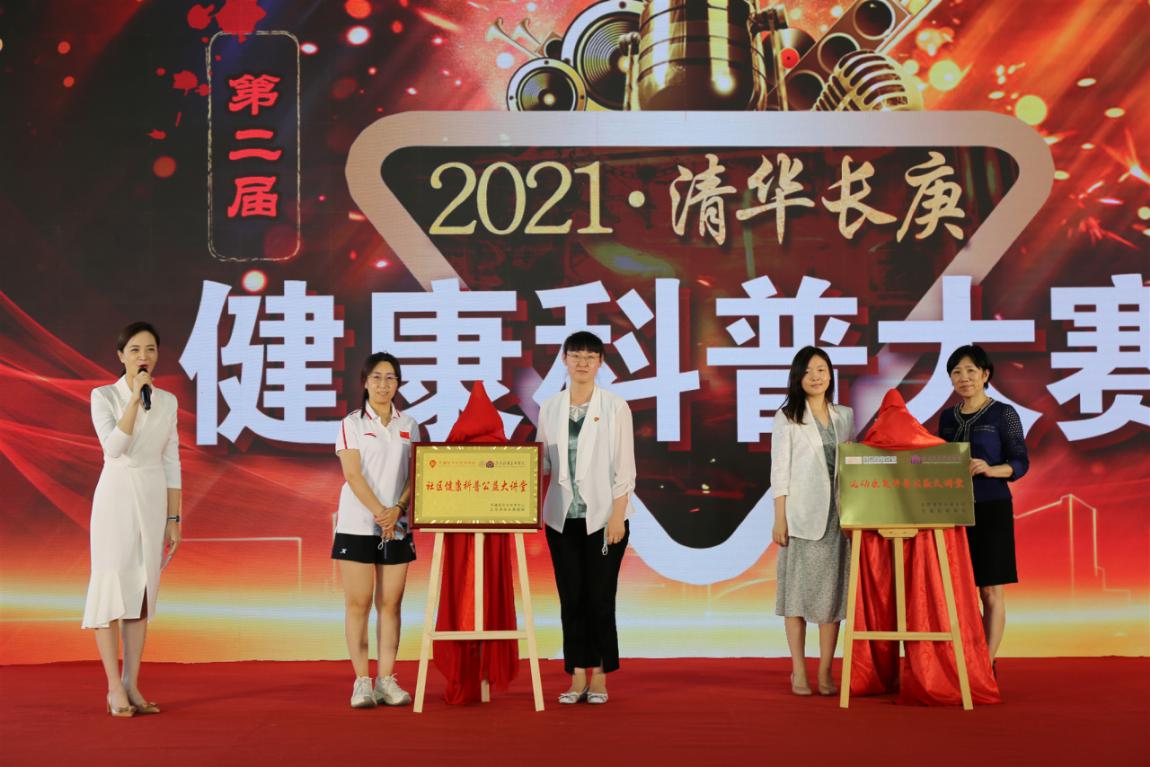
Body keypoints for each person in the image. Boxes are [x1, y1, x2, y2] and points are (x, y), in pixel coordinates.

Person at [83, 321, 181, 717]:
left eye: (151, 350)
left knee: (141, 592)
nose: (144, 357)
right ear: (121, 355)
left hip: (153, 498)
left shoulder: (168, 402)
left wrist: (174, 516)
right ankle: (113, 687)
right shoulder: (104, 396)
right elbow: (114, 448)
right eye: (136, 350)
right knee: (111, 588)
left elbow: (172, 461)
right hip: (116, 498)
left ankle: (132, 683)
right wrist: (133, 402)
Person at [538, 331, 635, 705]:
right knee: (571, 598)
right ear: (564, 360)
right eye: (575, 355)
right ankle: (577, 674)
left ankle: (601, 677)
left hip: (604, 519)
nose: (582, 362)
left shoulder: (615, 406)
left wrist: (618, 516)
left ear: (600, 363)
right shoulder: (550, 407)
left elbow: (625, 468)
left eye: (590, 356)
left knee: (600, 598)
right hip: (562, 519)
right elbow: (543, 463)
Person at [333, 352, 419, 708]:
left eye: (390, 378)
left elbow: (416, 475)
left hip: (396, 526)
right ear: (365, 383)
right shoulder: (351, 423)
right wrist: (380, 512)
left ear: (398, 384)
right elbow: (352, 474)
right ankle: (362, 681)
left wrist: (397, 510)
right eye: (377, 378)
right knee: (358, 604)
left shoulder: (409, 424)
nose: (383, 385)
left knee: (391, 604)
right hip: (357, 524)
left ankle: (386, 679)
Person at [771, 346, 854, 696]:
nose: (816, 377)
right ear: (798, 378)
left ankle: (825, 671)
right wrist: (780, 518)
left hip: (839, 518)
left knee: (831, 599)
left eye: (821, 369)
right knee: (797, 596)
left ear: (830, 373)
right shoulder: (787, 416)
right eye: (807, 372)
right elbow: (780, 471)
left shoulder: (844, 415)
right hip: (801, 517)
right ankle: (799, 670)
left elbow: (852, 467)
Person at [938, 344, 1028, 666]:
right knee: (957, 591)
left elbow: (1020, 462)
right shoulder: (947, 417)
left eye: (970, 371)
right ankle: (964, 659)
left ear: (985, 374)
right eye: (956, 372)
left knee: (990, 590)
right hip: (952, 512)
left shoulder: (1003, 413)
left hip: (992, 507)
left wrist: (990, 469)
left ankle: (987, 664)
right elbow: (937, 460)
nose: (964, 378)